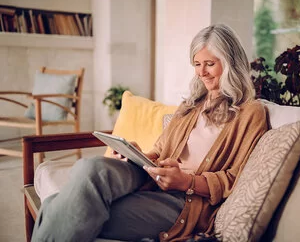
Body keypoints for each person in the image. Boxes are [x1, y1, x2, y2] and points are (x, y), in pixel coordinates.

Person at [31, 24, 268, 242]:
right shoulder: (192, 106)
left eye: (209, 64)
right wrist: (135, 153)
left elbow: (237, 179)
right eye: (197, 64)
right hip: (150, 176)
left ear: (229, 63)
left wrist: (186, 181)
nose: (201, 72)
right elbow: (159, 150)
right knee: (89, 168)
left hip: (185, 201)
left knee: (56, 205)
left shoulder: (250, 112)